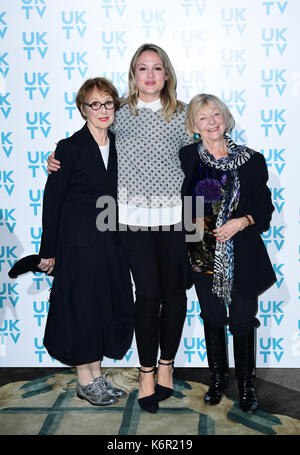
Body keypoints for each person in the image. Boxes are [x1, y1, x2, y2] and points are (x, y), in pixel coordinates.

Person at [47, 43, 193, 414]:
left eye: (157, 68)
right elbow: (89, 142)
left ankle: (166, 369)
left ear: (166, 74)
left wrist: (197, 229)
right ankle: (145, 374)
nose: (149, 75)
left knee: (175, 296)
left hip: (176, 219)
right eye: (142, 68)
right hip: (129, 221)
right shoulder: (121, 112)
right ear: (133, 75)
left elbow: (199, 167)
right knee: (145, 296)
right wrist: (56, 158)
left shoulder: (184, 115)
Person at [36, 77, 134, 406]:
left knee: (104, 308)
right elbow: (53, 202)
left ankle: (97, 375)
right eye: (95, 104)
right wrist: (47, 250)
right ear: (83, 109)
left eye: (108, 103)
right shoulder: (69, 148)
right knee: (82, 309)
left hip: (112, 244)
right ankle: (84, 379)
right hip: (77, 245)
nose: (102, 110)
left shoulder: (123, 144)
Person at [180, 93, 276, 413]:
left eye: (216, 115)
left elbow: (264, 208)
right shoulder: (186, 158)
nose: (211, 123)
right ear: (194, 125)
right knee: (212, 316)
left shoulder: (252, 160)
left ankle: (247, 385)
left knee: (242, 319)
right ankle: (219, 380)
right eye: (203, 118)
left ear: (226, 118)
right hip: (202, 253)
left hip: (242, 251)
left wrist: (240, 222)